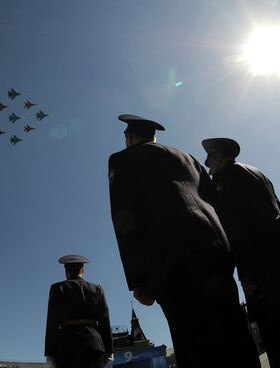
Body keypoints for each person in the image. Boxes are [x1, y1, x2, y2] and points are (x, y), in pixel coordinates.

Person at [108, 114, 260, 368]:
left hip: (171, 261)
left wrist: (139, 279)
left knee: (194, 343)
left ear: (129, 136)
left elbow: (124, 217)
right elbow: (214, 202)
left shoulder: (122, 159)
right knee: (234, 333)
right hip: (217, 253)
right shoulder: (188, 158)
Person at [202, 137, 280, 367]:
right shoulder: (255, 172)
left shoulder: (228, 179)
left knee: (274, 335)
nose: (209, 166)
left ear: (223, 157)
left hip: (263, 267)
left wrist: (246, 274)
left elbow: (237, 231)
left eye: (212, 159)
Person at [44, 255, 113, 368]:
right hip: (94, 345)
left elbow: (52, 322)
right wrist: (109, 350)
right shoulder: (97, 289)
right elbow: (105, 321)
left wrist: (49, 353)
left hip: (66, 345)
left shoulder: (57, 288)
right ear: (83, 270)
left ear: (66, 272)